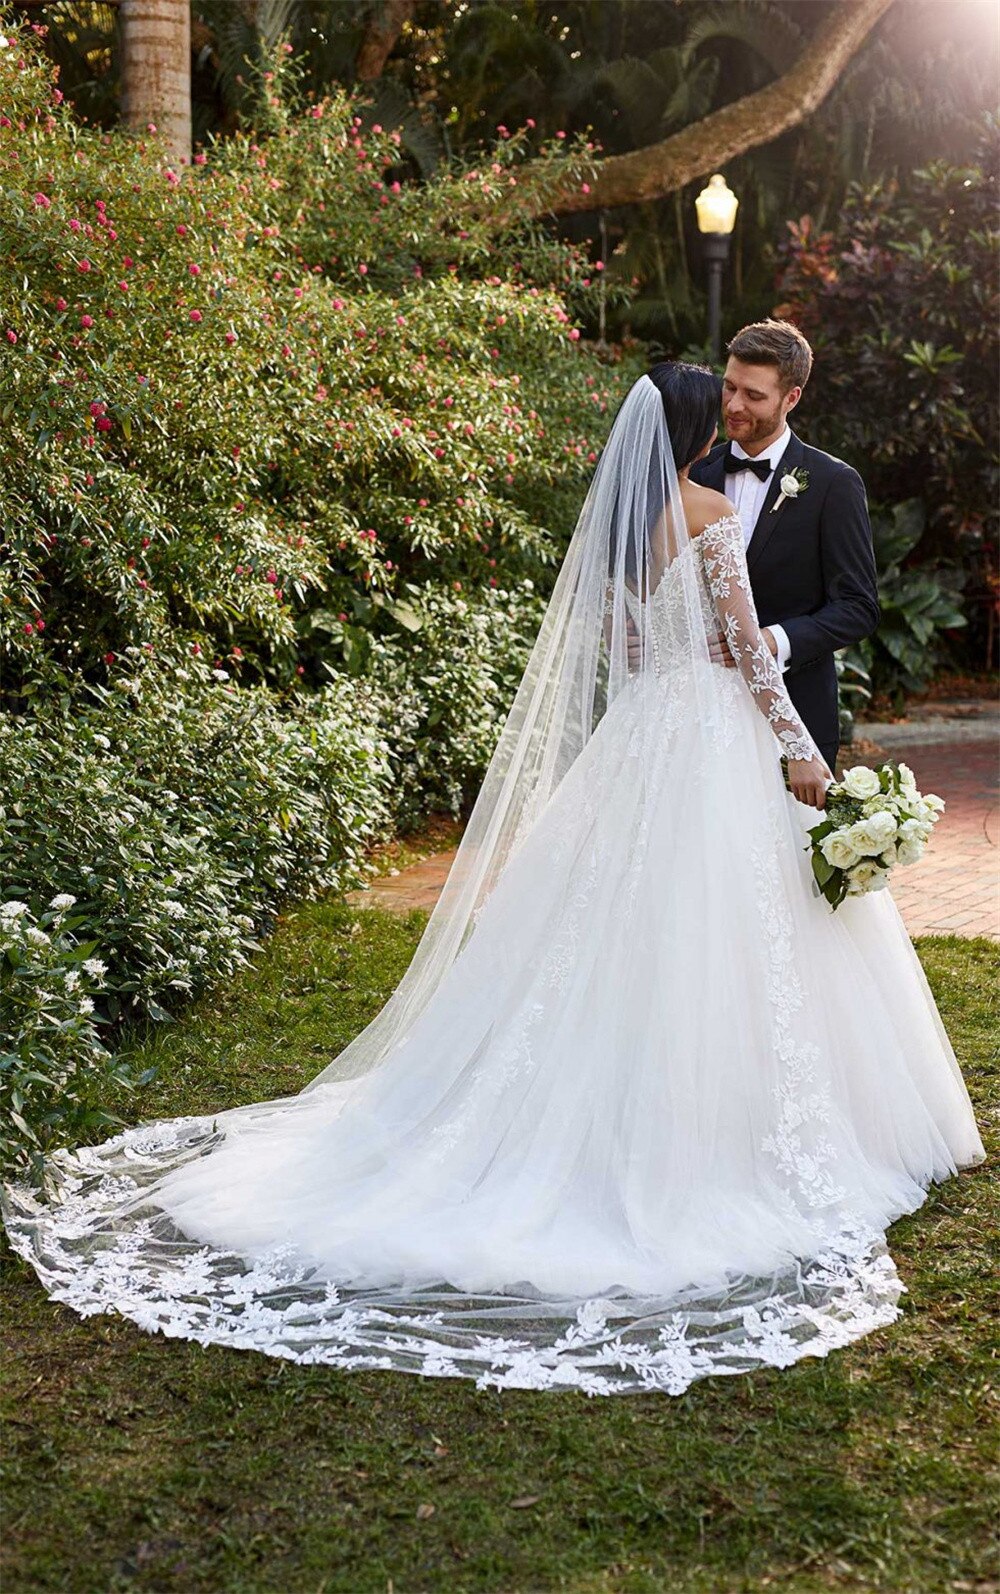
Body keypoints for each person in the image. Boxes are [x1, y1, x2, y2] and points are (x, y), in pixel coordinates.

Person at [4, 364, 983, 1397]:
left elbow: (632, 648)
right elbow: (746, 651)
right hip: (709, 736)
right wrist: (800, 749)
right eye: (720, 404)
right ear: (700, 426)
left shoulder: (624, 524)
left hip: (645, 733)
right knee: (721, 931)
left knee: (615, 925)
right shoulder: (706, 512)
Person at [631, 320, 880, 775]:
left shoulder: (833, 483)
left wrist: (770, 641)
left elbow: (858, 607)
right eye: (729, 387)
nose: (733, 405)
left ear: (791, 398)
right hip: (693, 727)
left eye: (753, 395)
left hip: (797, 709)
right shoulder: (688, 472)